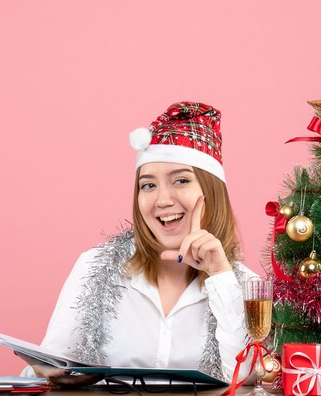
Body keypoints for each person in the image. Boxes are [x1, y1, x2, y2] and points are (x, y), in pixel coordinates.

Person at [18, 102, 256, 387]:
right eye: (148, 185)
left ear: (212, 192)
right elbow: (47, 370)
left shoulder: (244, 286)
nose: (163, 200)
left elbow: (245, 380)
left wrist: (220, 276)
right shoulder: (94, 267)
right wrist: (45, 372)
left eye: (181, 180)